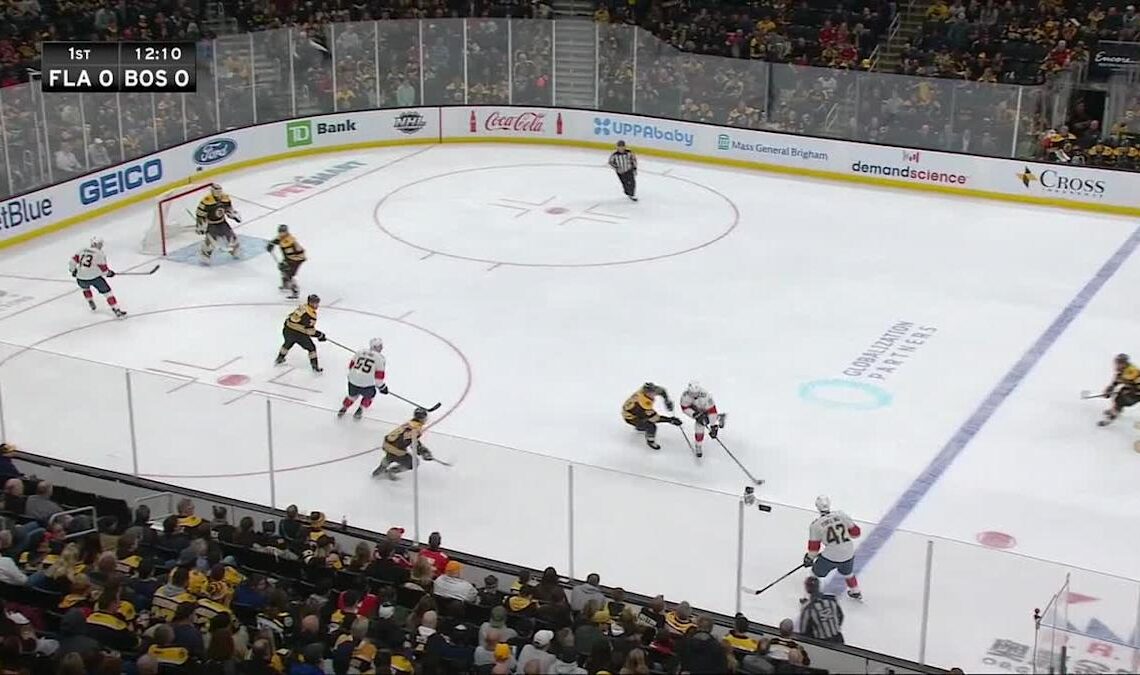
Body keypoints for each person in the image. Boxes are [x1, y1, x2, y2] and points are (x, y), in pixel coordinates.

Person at [804, 495, 862, 599]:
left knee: (814, 574)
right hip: (848, 552)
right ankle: (855, 591)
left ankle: (808, 597)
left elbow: (814, 548)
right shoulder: (841, 515)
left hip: (831, 556)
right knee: (848, 573)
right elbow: (856, 533)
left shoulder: (815, 525)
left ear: (817, 506)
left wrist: (809, 558)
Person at [68, 236, 126, 318]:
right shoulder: (99, 253)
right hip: (95, 278)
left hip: (80, 278)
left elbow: (72, 262)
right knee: (108, 293)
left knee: (85, 288)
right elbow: (104, 270)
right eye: (100, 244)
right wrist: (110, 273)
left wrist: (73, 270)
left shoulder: (82, 250)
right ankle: (116, 309)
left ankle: (90, 301)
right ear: (98, 244)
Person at [371, 408, 434, 479]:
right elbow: (414, 444)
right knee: (414, 463)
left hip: (387, 443)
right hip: (395, 449)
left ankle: (381, 468)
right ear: (423, 418)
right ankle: (390, 471)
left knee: (392, 455)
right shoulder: (416, 428)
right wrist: (424, 452)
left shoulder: (410, 423)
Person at [338, 338, 388, 419]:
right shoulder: (380, 358)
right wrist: (382, 387)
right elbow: (379, 376)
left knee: (352, 396)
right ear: (376, 347)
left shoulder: (360, 352)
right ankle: (360, 409)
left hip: (352, 380)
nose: (381, 348)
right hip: (367, 384)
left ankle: (344, 407)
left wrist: (356, 376)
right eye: (380, 346)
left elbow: (351, 366)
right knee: (370, 396)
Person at [622, 383, 681, 450]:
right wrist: (670, 420)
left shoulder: (644, 391)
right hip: (631, 417)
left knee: (645, 421)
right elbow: (655, 418)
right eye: (652, 393)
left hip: (632, 410)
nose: (654, 394)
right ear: (646, 393)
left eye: (654, 392)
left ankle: (640, 427)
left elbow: (662, 391)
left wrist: (666, 401)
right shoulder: (643, 404)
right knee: (651, 426)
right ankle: (650, 441)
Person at [275, 294, 325, 372]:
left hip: (287, 329)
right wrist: (320, 335)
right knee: (311, 348)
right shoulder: (310, 314)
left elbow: (291, 317)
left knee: (288, 343)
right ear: (310, 303)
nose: (316, 305)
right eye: (314, 303)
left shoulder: (303, 307)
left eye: (317, 302)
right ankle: (315, 367)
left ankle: (279, 358)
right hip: (298, 334)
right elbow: (309, 331)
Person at [197, 182, 242, 262]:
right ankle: (205, 254)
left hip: (222, 222)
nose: (218, 193)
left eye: (219, 191)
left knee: (232, 238)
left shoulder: (225, 198)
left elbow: (229, 210)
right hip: (211, 223)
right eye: (216, 191)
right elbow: (200, 214)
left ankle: (234, 250)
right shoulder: (206, 201)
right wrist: (201, 225)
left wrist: (234, 216)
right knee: (212, 241)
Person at [679, 382, 726, 458]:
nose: (694, 396)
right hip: (696, 410)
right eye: (692, 393)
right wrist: (695, 414)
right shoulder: (685, 396)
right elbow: (684, 408)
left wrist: (713, 427)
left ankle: (718, 418)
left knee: (708, 419)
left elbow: (712, 410)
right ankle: (698, 445)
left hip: (706, 409)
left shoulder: (706, 395)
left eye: (696, 393)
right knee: (699, 426)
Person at [265, 224, 306, 299]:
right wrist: (271, 244)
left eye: (282, 232)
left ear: (286, 232)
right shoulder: (283, 237)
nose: (281, 234)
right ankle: (286, 284)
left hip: (297, 258)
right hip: (290, 257)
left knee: (288, 272)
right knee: (284, 269)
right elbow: (277, 239)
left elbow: (290, 253)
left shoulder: (289, 242)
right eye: (280, 232)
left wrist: (285, 263)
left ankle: (295, 290)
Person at [1099, 352, 1140, 426]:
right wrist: (1110, 388)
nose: (1117, 365)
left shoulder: (1132, 372)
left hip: (1137, 392)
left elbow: (1135, 383)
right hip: (1132, 389)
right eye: (1116, 363)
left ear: (1125, 363)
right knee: (1119, 395)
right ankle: (1116, 410)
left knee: (1120, 399)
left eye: (1119, 363)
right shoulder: (1122, 370)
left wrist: (1132, 391)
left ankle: (1112, 415)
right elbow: (1117, 380)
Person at [799, 576, 843, 643]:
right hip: (838, 638)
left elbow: (803, 632)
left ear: (807, 588)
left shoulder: (807, 609)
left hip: (821, 643)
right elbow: (841, 616)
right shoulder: (832, 600)